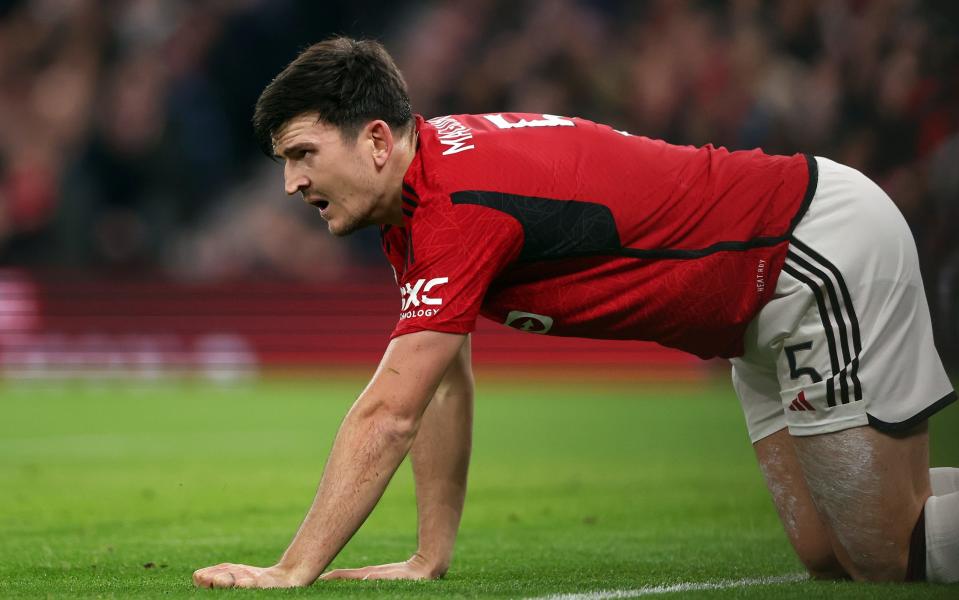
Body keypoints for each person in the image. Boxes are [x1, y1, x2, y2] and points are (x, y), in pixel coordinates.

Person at [192, 37, 958, 588]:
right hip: (754, 308)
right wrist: (428, 557)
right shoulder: (419, 195)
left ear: (377, 140)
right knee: (828, 553)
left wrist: (292, 571)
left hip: (805, 253)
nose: (292, 184)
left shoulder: (455, 206)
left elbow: (388, 414)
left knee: (887, 555)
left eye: (301, 155)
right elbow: (441, 381)